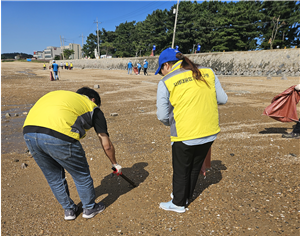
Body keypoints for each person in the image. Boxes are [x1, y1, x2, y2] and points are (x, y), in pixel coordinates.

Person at [23, 87, 122, 220]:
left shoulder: (63, 97)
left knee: (54, 177)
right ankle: (89, 208)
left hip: (28, 132)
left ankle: (69, 210)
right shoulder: (92, 107)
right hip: (59, 135)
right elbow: (107, 145)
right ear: (93, 100)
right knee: (81, 175)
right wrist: (115, 164)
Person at [155, 48, 227, 213]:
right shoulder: (208, 71)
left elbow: (162, 115)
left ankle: (178, 203)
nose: (162, 74)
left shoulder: (166, 81)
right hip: (210, 130)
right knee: (195, 166)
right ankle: (186, 196)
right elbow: (223, 99)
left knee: (181, 169)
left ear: (167, 65)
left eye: (161, 70)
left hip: (185, 132)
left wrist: (170, 124)